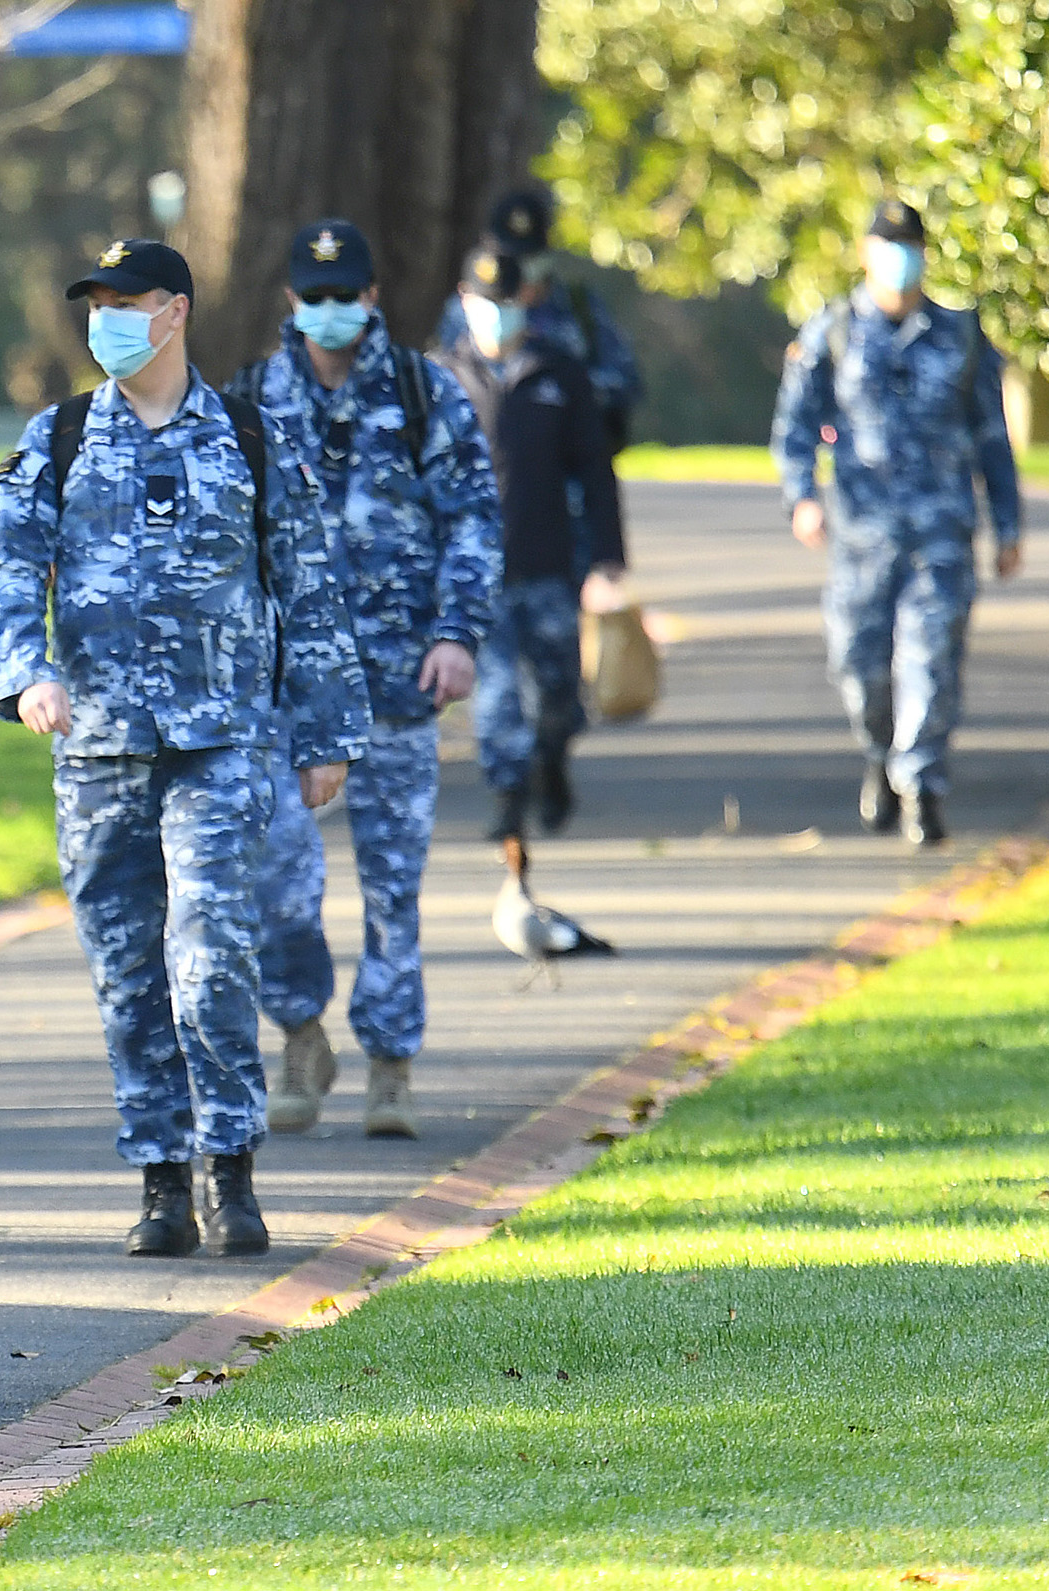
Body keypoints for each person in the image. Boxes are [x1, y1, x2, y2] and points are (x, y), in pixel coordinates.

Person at [0, 238, 368, 1261]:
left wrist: (324, 731)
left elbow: (308, 590)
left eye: (127, 300)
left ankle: (228, 1163)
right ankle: (159, 1178)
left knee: (209, 956)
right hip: (100, 748)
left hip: (221, 740)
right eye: (95, 301)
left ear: (176, 311)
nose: (106, 316)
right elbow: (2, 572)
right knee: (124, 967)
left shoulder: (250, 436)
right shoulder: (57, 438)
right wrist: (24, 674)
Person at [231, 220, 500, 1143]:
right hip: (282, 692)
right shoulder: (250, 402)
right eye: (316, 294)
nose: (332, 309)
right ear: (292, 301)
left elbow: (473, 520)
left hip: (395, 682)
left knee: (393, 884)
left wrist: (457, 635)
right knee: (276, 877)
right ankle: (301, 1032)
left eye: (349, 292)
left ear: (374, 297)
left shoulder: (427, 394)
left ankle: (392, 1064)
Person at [771, 198, 1023, 847]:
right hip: (861, 537)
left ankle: (922, 786)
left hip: (941, 535)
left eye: (910, 245)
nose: (900, 258)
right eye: (888, 245)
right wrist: (802, 495)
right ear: (865, 253)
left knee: (932, 658)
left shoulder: (961, 335)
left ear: (925, 254)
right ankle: (880, 753)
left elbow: (992, 438)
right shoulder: (832, 331)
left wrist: (1009, 525)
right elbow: (795, 427)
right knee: (859, 666)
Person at [435, 248, 628, 843]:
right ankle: (509, 795)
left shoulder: (559, 373)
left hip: (550, 563)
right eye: (483, 304)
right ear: (465, 303)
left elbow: (595, 469)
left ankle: (551, 763)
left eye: (505, 304)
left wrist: (607, 557)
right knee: (494, 698)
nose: (494, 315)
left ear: (523, 304)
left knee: (560, 690)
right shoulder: (440, 379)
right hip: (477, 570)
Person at [434, 190, 645, 450]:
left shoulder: (578, 306)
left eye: (531, 259)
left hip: (566, 462)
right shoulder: (467, 310)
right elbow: (445, 386)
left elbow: (625, 381)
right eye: (510, 260)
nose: (522, 273)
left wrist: (559, 392)